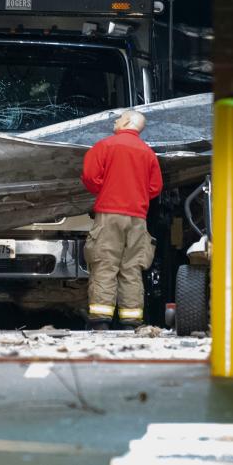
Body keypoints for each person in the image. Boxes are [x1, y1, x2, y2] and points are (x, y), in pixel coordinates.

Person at [80, 110, 163, 330]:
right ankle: (131, 321)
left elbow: (90, 177)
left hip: (109, 215)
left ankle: (100, 321)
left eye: (118, 118)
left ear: (126, 121)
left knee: (105, 264)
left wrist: (105, 188)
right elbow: (155, 188)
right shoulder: (148, 153)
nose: (115, 121)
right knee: (132, 268)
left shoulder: (105, 146)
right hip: (138, 218)